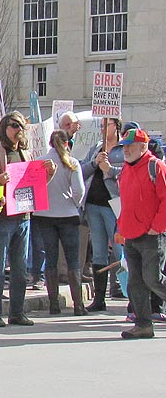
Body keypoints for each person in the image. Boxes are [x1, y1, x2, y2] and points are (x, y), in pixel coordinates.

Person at [0, 111, 56, 327]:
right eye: (14, 125)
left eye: (21, 126)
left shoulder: (26, 154)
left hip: (24, 217)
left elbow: (34, 185)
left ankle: (17, 312)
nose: (18, 129)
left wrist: (49, 174)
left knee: (20, 269)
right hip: (3, 218)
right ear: (5, 128)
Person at [116, 128, 166, 339]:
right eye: (124, 146)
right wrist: (121, 228)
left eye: (130, 146)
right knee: (135, 283)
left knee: (153, 279)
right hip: (131, 234)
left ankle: (144, 323)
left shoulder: (156, 166)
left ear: (143, 146)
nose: (126, 150)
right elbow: (125, 202)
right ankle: (143, 325)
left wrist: (157, 227)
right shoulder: (126, 169)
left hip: (151, 235)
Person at [32, 130, 86, 315]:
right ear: (67, 144)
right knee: (73, 260)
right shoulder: (72, 162)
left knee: (50, 258)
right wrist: (74, 204)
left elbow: (34, 188)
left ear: (49, 143)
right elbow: (79, 191)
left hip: (44, 214)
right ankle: (78, 305)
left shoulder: (40, 161)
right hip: (68, 214)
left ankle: (53, 303)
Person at [81, 117, 124, 311]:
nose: (103, 129)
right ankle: (99, 299)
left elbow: (129, 172)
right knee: (99, 251)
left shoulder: (123, 149)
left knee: (120, 250)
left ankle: (131, 295)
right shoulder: (97, 147)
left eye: (107, 125)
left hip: (114, 206)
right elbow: (82, 171)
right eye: (101, 126)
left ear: (117, 127)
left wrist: (110, 170)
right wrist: (94, 163)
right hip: (93, 205)